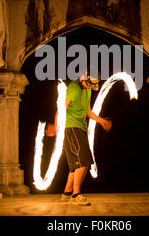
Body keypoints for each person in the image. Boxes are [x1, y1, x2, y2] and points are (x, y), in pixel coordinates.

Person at [46, 72, 112, 206]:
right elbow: (61, 109)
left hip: (80, 127)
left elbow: (87, 111)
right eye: (88, 85)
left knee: (76, 164)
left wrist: (101, 121)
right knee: (84, 160)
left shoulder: (87, 89)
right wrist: (56, 126)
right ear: (83, 79)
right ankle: (75, 195)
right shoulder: (74, 88)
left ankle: (66, 194)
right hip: (71, 127)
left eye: (92, 86)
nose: (90, 88)